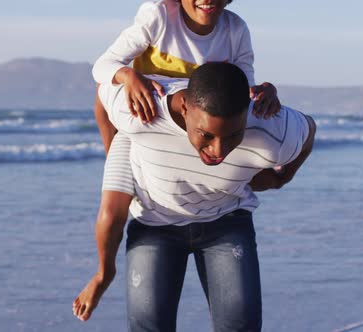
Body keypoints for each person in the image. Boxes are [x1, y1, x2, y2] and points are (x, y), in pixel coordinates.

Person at [74, 62, 316, 331]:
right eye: (206, 134)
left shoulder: (271, 131)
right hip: (155, 224)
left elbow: (309, 129)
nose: (218, 150)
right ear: (185, 108)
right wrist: (115, 151)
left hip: (227, 221)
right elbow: (103, 89)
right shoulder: (142, 110)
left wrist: (282, 178)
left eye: (232, 135)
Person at [91, 0, 281, 154]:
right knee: (104, 85)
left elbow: (243, 88)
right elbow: (102, 66)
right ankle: (112, 158)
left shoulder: (235, 29)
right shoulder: (158, 16)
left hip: (198, 129)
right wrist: (128, 75)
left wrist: (266, 91)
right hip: (151, 116)